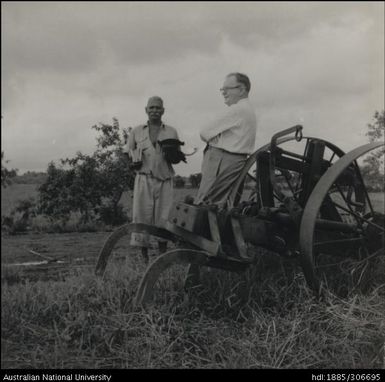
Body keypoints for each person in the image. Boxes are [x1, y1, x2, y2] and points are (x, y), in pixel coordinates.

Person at [125, 96, 181, 263]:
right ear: (146, 110)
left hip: (164, 180)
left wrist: (173, 155)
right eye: (152, 108)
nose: (155, 111)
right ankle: (144, 259)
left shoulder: (171, 131)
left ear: (163, 110)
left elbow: (177, 156)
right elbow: (128, 153)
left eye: (158, 108)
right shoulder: (136, 131)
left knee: (164, 217)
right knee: (142, 216)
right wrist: (134, 161)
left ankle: (162, 257)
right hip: (143, 179)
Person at [195, 72, 257, 209]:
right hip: (237, 161)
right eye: (222, 90)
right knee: (224, 204)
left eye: (227, 89)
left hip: (221, 160)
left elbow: (204, 132)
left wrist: (216, 141)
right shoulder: (249, 110)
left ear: (241, 90)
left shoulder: (237, 110)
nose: (223, 93)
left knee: (206, 203)